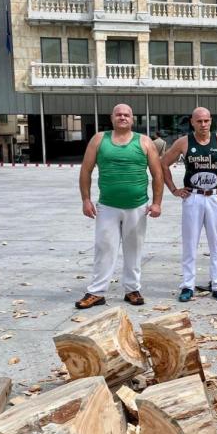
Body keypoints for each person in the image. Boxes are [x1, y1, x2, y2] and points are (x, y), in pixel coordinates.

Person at [75, 104, 164, 308]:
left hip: (137, 206)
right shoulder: (99, 139)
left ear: (132, 119)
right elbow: (86, 170)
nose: (122, 117)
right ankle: (96, 292)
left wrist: (157, 203)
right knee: (104, 247)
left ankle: (132, 289)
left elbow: (157, 174)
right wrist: (86, 200)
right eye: (119, 114)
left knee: (134, 248)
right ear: (112, 117)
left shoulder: (144, 141)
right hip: (107, 206)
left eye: (126, 115)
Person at [160, 107, 217, 302]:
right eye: (199, 121)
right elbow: (163, 163)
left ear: (211, 121)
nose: (203, 125)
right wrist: (173, 189)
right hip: (193, 197)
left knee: (216, 242)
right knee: (190, 243)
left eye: (206, 121)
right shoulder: (183, 142)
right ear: (192, 122)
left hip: (214, 196)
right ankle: (188, 285)